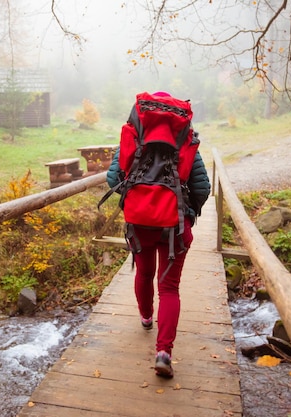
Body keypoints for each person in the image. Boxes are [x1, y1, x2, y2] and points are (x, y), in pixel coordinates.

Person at [106, 92, 211, 378]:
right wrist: (188, 213)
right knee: (169, 288)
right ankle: (163, 352)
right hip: (174, 226)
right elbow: (202, 188)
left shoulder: (134, 139)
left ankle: (145, 317)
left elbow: (113, 179)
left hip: (139, 223)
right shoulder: (186, 141)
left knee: (143, 273)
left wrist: (135, 200)